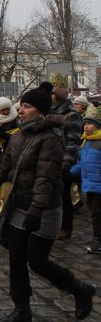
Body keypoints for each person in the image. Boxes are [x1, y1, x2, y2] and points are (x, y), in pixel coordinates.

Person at [0, 82, 96, 321]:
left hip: (43, 209)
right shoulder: (19, 136)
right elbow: (3, 170)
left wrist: (36, 210)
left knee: (37, 262)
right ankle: (21, 309)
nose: (21, 110)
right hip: (19, 205)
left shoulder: (51, 138)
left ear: (41, 110)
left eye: (27, 106)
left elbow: (45, 179)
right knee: (16, 259)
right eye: (21, 105)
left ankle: (80, 289)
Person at [49, 85, 83, 240]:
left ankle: (65, 227)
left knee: (64, 196)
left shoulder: (72, 115)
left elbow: (73, 141)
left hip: (64, 162)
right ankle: (53, 225)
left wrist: (66, 163)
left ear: (58, 97)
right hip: (51, 160)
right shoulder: (50, 112)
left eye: (52, 94)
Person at [69, 105, 101, 254]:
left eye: (90, 124)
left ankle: (98, 240)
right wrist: (69, 172)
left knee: (97, 214)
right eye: (85, 124)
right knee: (94, 213)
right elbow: (83, 163)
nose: (86, 127)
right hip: (90, 185)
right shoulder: (86, 141)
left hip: (98, 186)